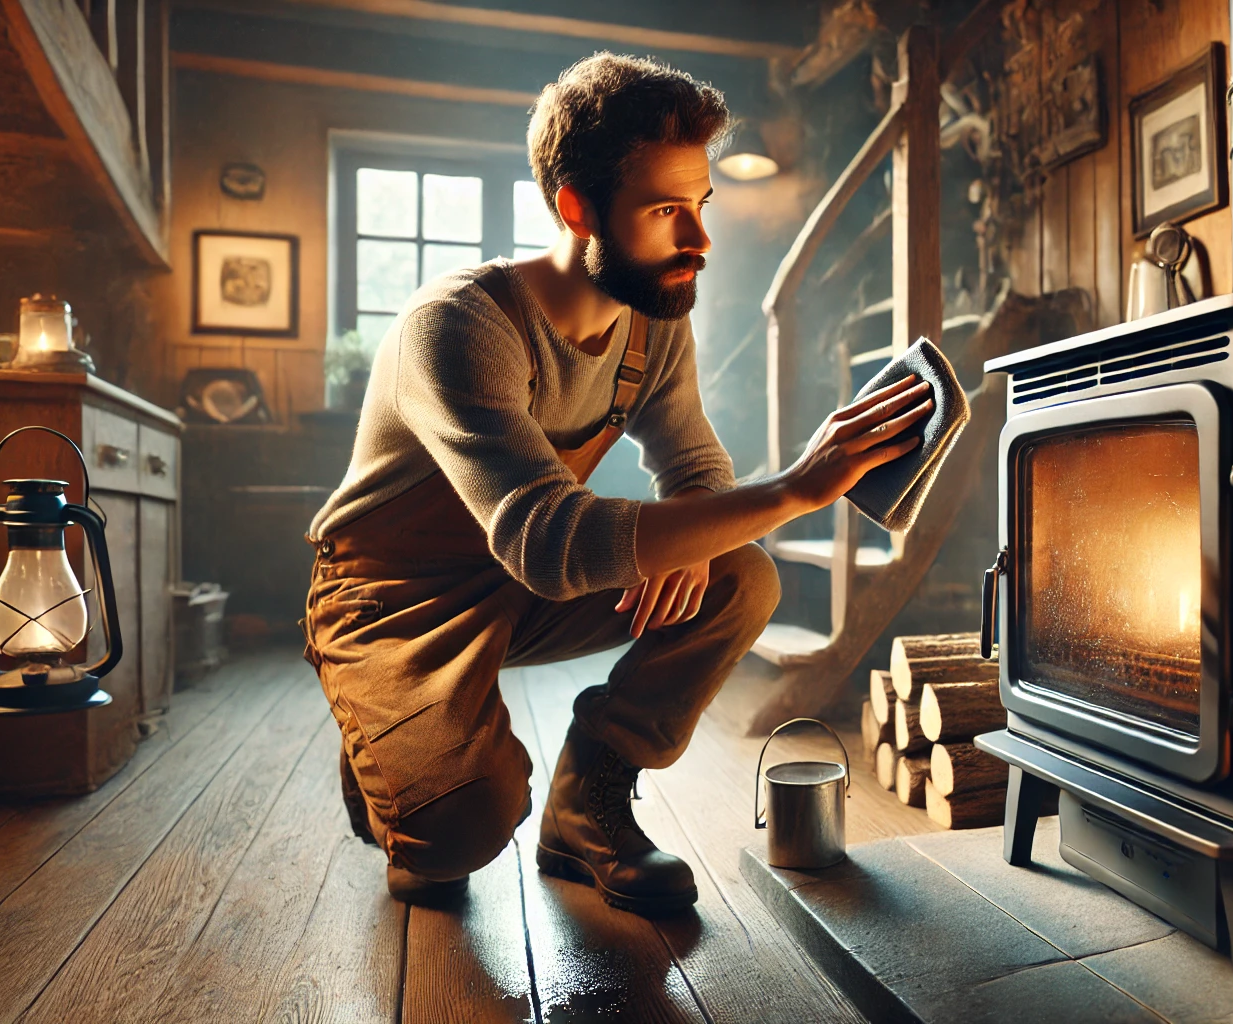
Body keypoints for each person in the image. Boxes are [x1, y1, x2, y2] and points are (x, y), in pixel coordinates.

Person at [302, 53, 932, 915]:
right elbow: (550, 544)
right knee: (454, 843)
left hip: (518, 590)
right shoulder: (454, 328)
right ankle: (388, 753)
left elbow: (697, 466)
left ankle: (586, 805)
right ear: (576, 206)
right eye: (667, 211)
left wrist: (693, 529)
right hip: (393, 602)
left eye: (700, 205)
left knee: (740, 576)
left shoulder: (653, 321)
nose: (699, 240)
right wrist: (796, 490)